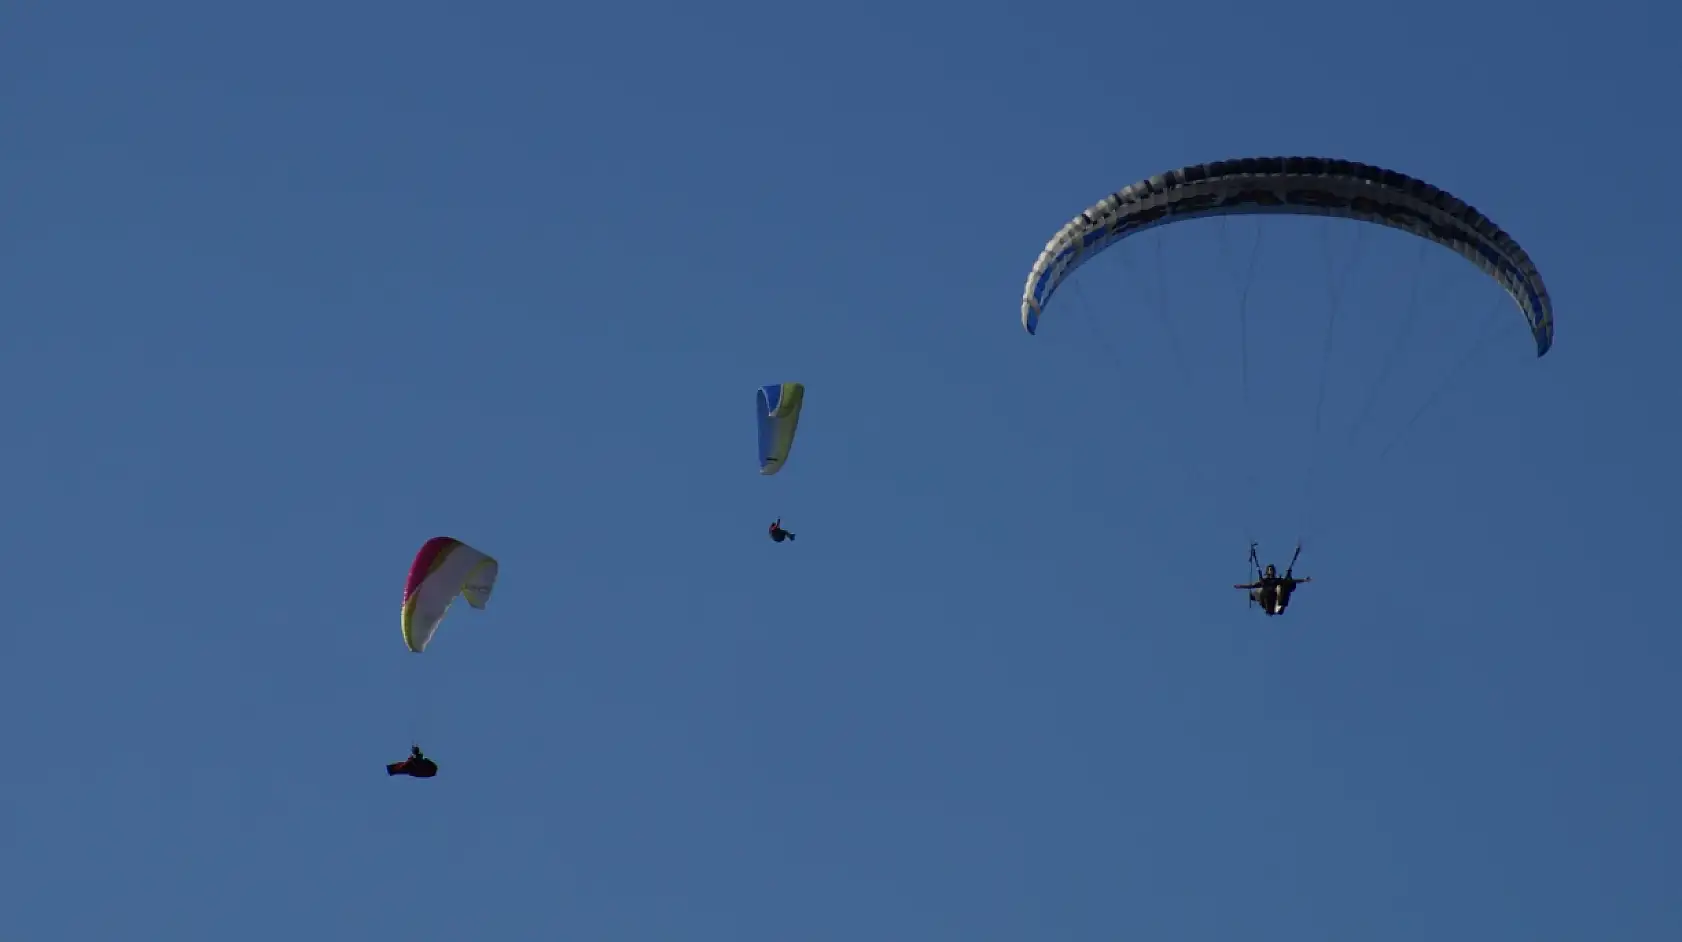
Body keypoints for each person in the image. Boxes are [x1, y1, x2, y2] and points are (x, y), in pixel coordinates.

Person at [1234, 562, 1312, 616]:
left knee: (1281, 586)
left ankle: (1280, 605)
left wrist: (1304, 580)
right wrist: (1240, 586)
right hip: (1267, 602)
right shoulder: (1264, 581)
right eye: (1269, 570)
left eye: (1272, 569)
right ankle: (1272, 607)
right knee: (1262, 590)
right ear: (1267, 571)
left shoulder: (1277, 580)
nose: (1271, 571)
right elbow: (1251, 585)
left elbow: (1292, 581)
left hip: (1276, 601)